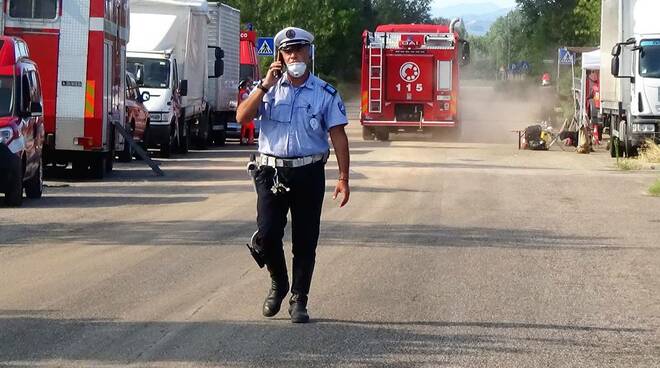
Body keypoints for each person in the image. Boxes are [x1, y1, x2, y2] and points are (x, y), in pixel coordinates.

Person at [236, 26, 350, 323]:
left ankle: (299, 298)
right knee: (268, 234)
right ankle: (279, 282)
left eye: (299, 50)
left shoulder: (325, 93)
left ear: (309, 53)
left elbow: (338, 135)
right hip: (271, 172)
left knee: (305, 240)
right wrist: (264, 85)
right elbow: (242, 117)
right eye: (288, 51)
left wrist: (343, 178)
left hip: (308, 173)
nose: (294, 55)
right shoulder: (266, 89)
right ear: (279, 57)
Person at [238, 78, 255, 145]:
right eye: (246, 85)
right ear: (244, 86)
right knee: (250, 127)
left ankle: (244, 140)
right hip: (246, 112)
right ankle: (248, 140)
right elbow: (250, 100)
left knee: (245, 127)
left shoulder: (241, 92)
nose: (247, 87)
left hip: (243, 111)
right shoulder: (244, 93)